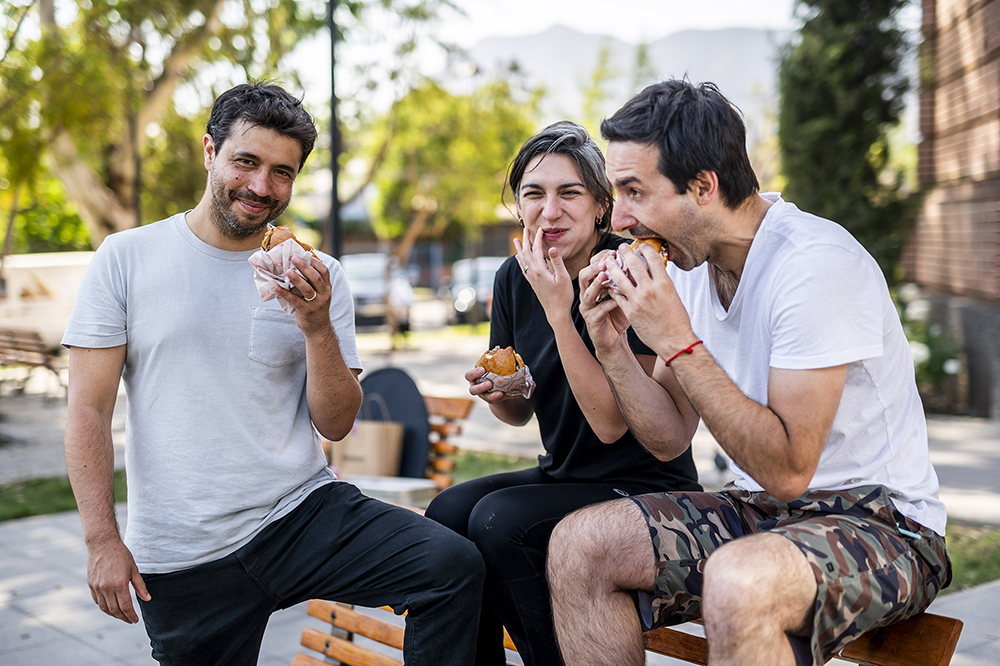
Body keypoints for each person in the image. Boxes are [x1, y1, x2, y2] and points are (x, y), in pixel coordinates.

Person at [61, 81, 484, 666]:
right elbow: (87, 408)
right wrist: (101, 540)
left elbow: (336, 424)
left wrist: (315, 325)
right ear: (210, 151)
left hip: (301, 515)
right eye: (246, 162)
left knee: (451, 568)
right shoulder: (126, 257)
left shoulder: (318, 274)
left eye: (282, 172)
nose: (262, 186)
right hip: (184, 553)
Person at [546, 80, 951, 666]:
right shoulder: (687, 264)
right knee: (580, 545)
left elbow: (788, 471)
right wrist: (609, 345)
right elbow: (667, 436)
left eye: (635, 192)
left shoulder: (814, 266)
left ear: (704, 186)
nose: (623, 217)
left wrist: (678, 340)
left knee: (739, 580)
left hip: (883, 522)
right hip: (758, 509)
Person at [423, 120, 701, 666]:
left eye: (568, 193)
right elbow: (520, 413)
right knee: (448, 513)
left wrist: (558, 309)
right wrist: (502, 390)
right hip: (567, 475)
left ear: (601, 204)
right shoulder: (513, 276)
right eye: (534, 194)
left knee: (499, 522)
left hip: (643, 485)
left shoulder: (628, 270)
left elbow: (611, 425)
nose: (549, 211)